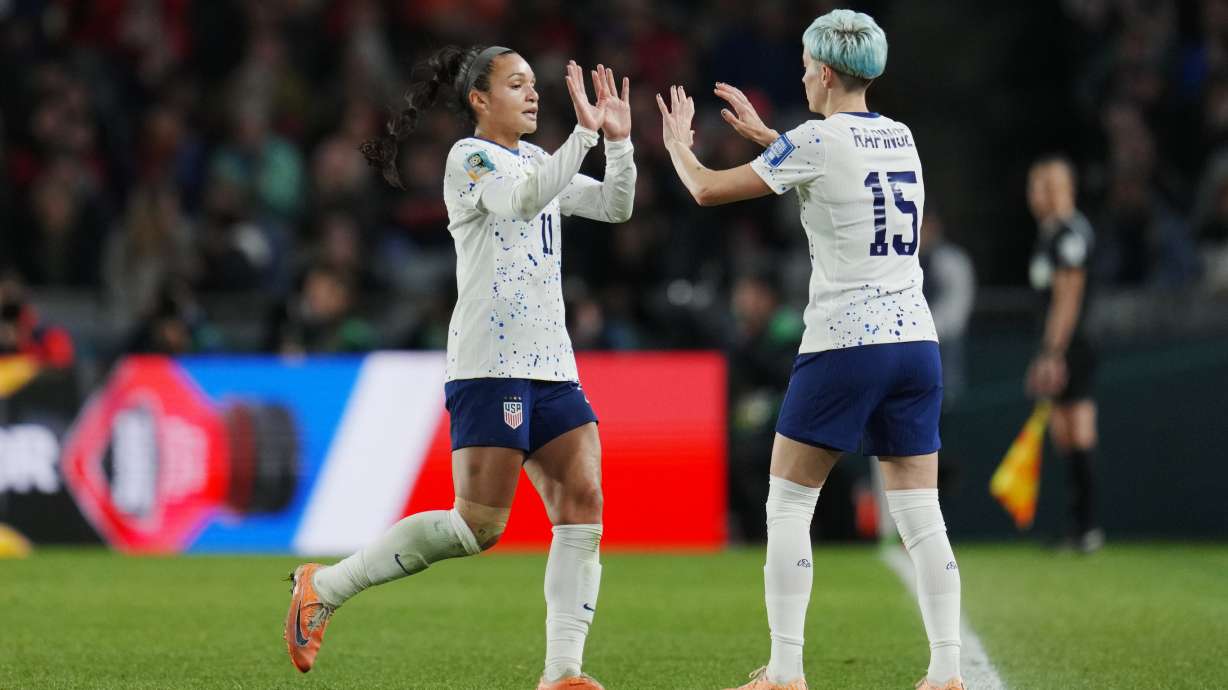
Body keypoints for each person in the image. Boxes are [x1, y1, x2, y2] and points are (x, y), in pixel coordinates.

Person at [282, 45, 635, 690]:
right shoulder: (470, 160)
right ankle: (325, 584)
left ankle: (563, 673)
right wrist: (582, 136)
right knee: (477, 525)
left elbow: (615, 206)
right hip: (491, 362)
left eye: (535, 85)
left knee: (583, 502)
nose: (533, 95)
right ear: (480, 99)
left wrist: (617, 142)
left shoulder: (538, 159)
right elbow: (525, 200)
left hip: (553, 362)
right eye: (517, 84)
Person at [657, 9, 962, 690]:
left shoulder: (816, 141)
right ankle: (946, 670)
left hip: (847, 342)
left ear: (824, 70)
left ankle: (787, 670)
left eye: (803, 63)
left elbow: (707, 188)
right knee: (920, 514)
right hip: (915, 341)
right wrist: (775, 141)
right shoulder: (901, 136)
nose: (800, 72)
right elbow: (840, 169)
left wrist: (678, 143)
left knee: (789, 503)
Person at [1025, 155, 1103, 553]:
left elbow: (1068, 298)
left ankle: (1087, 527)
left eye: (1045, 186)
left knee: (1078, 428)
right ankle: (1079, 525)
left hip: (1075, 345)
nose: (1037, 195)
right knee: (1062, 433)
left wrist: (1053, 354)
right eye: (1035, 186)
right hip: (1056, 345)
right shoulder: (1050, 234)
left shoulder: (1070, 233)